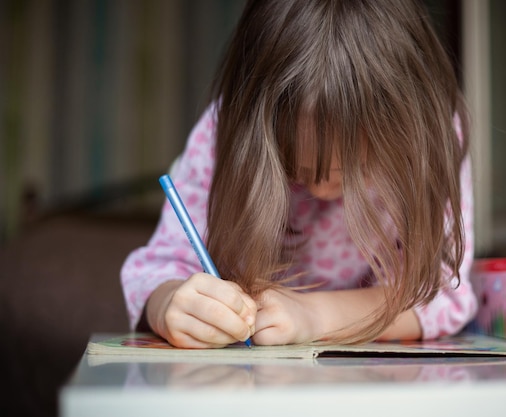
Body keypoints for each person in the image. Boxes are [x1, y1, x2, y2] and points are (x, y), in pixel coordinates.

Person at [121, 0, 477, 349]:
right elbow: (159, 268)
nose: (321, 190)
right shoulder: (221, 133)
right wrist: (169, 304)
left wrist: (316, 315)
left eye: (356, 171)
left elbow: (442, 296)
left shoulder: (430, 139)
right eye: (295, 168)